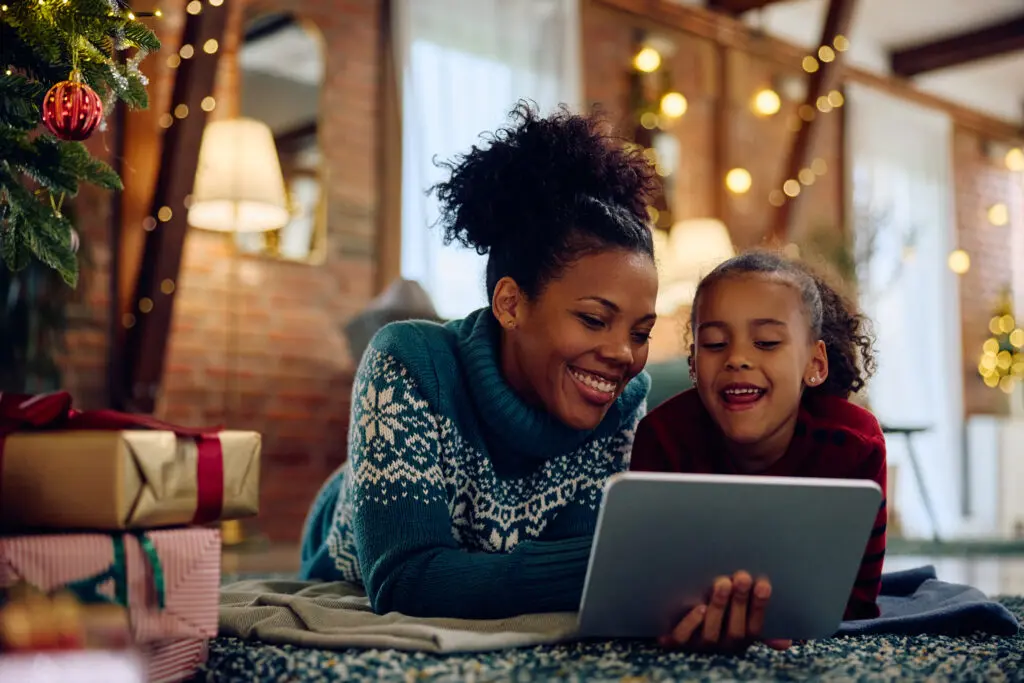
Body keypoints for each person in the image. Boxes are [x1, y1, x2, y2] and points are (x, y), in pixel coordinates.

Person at [299, 101, 661, 619]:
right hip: (345, 550)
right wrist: (628, 563)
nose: (623, 355)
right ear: (511, 303)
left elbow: (570, 563)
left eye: (641, 331)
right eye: (593, 319)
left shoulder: (625, 403)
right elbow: (406, 580)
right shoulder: (407, 362)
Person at [631, 250, 887, 651]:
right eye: (714, 343)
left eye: (766, 342)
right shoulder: (661, 437)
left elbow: (856, 602)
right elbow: (646, 589)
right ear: (693, 364)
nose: (737, 359)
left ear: (815, 364)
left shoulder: (854, 445)